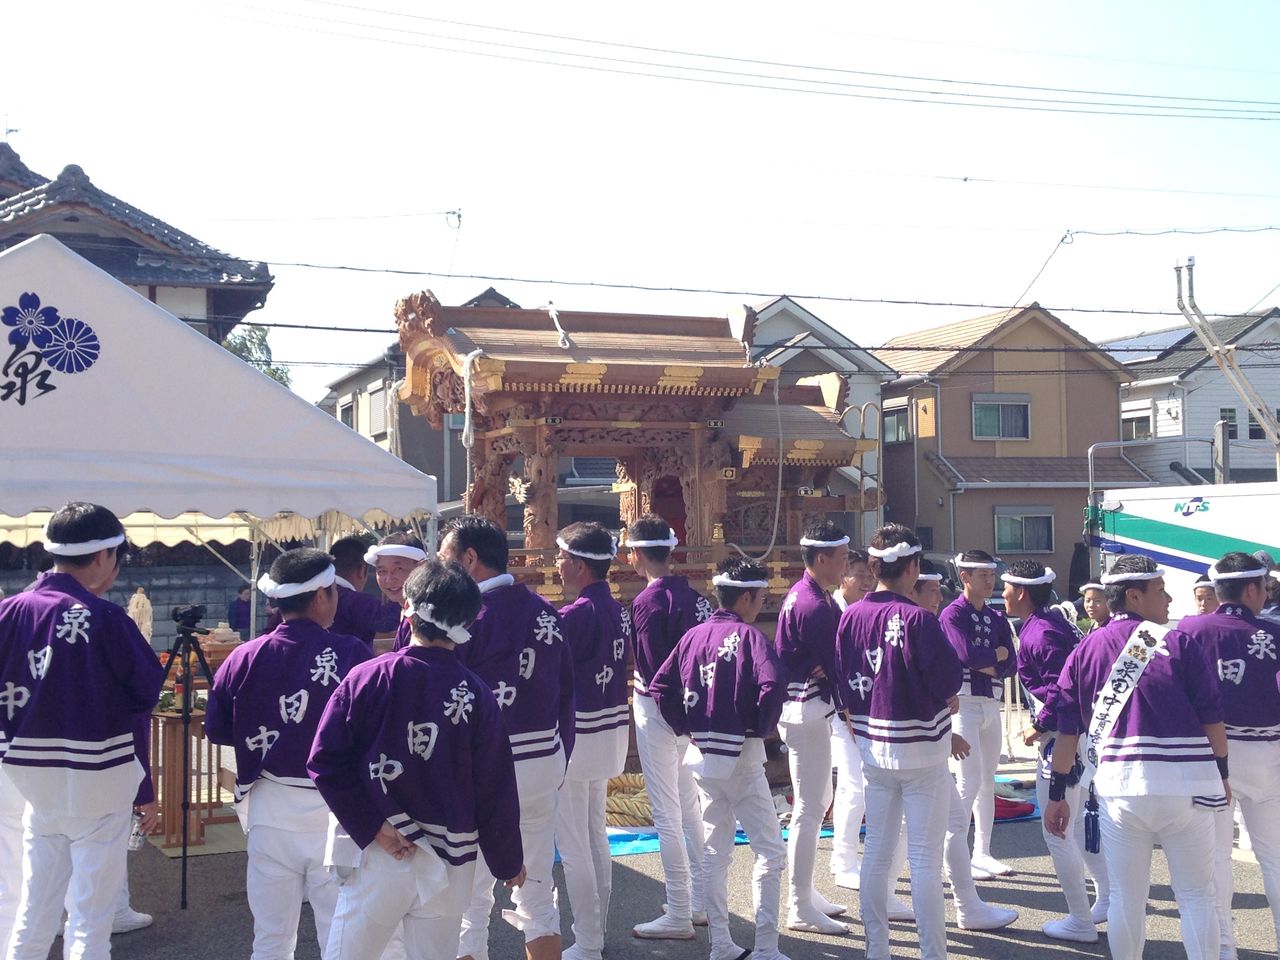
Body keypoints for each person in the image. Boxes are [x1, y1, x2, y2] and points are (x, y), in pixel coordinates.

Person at [308, 560, 526, 960]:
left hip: (381, 850)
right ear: (467, 622)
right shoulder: (477, 693)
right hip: (450, 854)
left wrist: (372, 825)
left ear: (406, 610)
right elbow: (495, 785)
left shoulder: (367, 677)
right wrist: (507, 860)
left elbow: (325, 760)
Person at [0, 502, 164, 960]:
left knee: (33, 913)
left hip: (30, 782)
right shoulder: (110, 620)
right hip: (98, 781)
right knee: (90, 921)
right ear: (102, 556)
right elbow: (145, 693)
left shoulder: (8, 613)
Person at [1044, 554, 1228, 960]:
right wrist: (1224, 774)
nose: (1168, 600)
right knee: (1198, 895)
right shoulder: (1179, 643)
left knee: (1127, 897)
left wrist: (1058, 793)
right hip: (1188, 785)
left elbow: (1067, 732)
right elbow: (1213, 719)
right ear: (1134, 594)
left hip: (1120, 788)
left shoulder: (1086, 648)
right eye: (1160, 591)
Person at [205, 547, 373, 960]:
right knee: (340, 933)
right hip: (338, 809)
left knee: (271, 937)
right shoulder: (353, 655)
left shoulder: (244, 655)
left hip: (269, 807)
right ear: (320, 596)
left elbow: (217, 728)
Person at [439, 515, 573, 960]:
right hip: (542, 761)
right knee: (537, 888)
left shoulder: (463, 618)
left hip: (485, 770)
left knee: (468, 899)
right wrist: (557, 763)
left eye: (446, 558)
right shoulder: (546, 612)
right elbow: (565, 702)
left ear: (470, 559)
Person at [833, 524, 964, 960]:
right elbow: (947, 679)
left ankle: (878, 951)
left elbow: (842, 683)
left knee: (877, 852)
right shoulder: (919, 619)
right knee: (924, 860)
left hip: (872, 743)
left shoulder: (850, 615)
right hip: (923, 746)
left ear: (874, 567)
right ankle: (932, 953)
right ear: (912, 567)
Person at [650, 556, 788, 960]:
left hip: (703, 753)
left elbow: (660, 687)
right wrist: (760, 727)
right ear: (746, 596)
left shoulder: (693, 636)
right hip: (741, 754)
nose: (760, 603)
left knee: (715, 850)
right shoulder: (750, 638)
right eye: (760, 596)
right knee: (769, 851)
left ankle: (722, 945)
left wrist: (686, 728)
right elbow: (773, 685)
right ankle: (765, 946)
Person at [1178, 552, 1280, 960]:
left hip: (1210, 755)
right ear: (1253, 588)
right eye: (1266, 588)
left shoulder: (1188, 629)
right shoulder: (1273, 631)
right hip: (1269, 751)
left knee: (1216, 856)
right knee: (1273, 856)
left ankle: (1224, 948)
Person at [1005, 561, 1110, 943]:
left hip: (1063, 739)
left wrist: (1039, 725)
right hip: (1077, 735)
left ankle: (1080, 920)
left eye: (1006, 588)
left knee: (1058, 830)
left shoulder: (1041, 633)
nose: (1002, 595)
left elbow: (1061, 692)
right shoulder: (1053, 623)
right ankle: (1106, 898)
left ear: (1020, 592)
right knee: (1078, 822)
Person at [624, 515, 712, 939]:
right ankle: (700, 901)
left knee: (666, 812)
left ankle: (680, 908)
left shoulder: (646, 603)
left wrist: (675, 717)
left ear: (637, 554)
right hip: (691, 707)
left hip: (660, 708)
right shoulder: (695, 598)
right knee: (687, 805)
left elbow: (652, 669)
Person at [552, 523, 630, 960]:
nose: (557, 565)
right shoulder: (618, 609)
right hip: (611, 728)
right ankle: (595, 931)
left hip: (577, 733)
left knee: (575, 843)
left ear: (579, 565)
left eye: (563, 558)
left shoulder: (572, 616)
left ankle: (588, 941)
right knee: (595, 833)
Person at [774, 520, 850, 935]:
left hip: (806, 708)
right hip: (804, 709)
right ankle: (799, 903)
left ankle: (805, 890)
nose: (845, 565)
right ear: (821, 559)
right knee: (807, 807)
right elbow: (839, 661)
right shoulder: (814, 605)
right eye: (841, 558)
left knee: (817, 801)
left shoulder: (810, 594)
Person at [939, 549, 1017, 879]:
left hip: (990, 702)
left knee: (988, 781)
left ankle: (982, 852)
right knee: (967, 780)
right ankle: (953, 851)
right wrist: (993, 657)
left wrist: (991, 658)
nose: (991, 580)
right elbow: (964, 654)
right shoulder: (952, 614)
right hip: (965, 703)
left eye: (992, 574)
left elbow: (1011, 662)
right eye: (982, 575)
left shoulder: (997, 618)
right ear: (965, 578)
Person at [829, 547, 872, 890]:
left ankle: (845, 856)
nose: (867, 582)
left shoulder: (862, 610)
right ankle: (844, 859)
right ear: (843, 576)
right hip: (836, 710)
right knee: (852, 785)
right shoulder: (832, 611)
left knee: (853, 785)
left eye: (871, 576)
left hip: (859, 708)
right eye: (860, 575)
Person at [327, 536, 403, 647]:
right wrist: (399, 591)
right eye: (382, 571)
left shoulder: (318, 594)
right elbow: (386, 622)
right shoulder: (354, 600)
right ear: (363, 570)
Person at [367, 533, 429, 653]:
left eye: (398, 569)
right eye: (382, 571)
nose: (389, 579)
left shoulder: (430, 615)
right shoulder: (404, 610)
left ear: (422, 567)